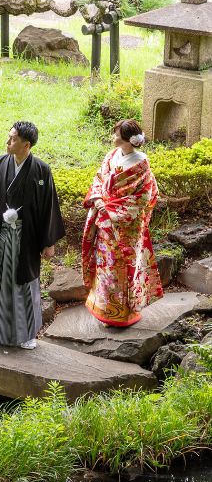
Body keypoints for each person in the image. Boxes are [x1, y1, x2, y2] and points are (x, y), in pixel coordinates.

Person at [0, 121, 65, 348]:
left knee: (23, 285)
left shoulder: (41, 170)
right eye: (9, 137)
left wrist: (48, 242)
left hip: (25, 239)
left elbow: (48, 206)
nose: (7, 142)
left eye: (12, 139)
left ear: (26, 145)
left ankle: (26, 335)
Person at [82, 119, 163, 327]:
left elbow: (143, 197)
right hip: (105, 223)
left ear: (128, 139)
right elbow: (99, 178)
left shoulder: (141, 163)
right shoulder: (111, 155)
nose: (113, 137)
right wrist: (98, 199)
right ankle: (106, 309)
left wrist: (110, 210)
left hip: (126, 226)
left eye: (116, 133)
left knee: (123, 268)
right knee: (106, 267)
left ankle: (124, 314)